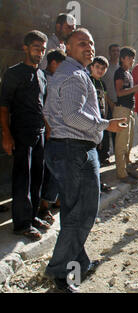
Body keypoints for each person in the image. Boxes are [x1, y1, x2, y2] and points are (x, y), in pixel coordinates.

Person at [43, 28, 126, 293]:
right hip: (74, 150)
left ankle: (79, 260)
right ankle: (59, 272)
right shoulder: (74, 75)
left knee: (72, 209)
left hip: (69, 148)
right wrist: (106, 125)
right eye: (81, 43)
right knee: (83, 212)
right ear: (66, 46)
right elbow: (72, 116)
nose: (89, 47)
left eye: (91, 42)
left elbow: (51, 112)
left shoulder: (73, 73)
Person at [0, 30, 50, 241]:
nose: (40, 53)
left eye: (43, 49)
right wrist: (6, 136)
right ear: (26, 48)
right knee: (23, 178)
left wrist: (47, 128)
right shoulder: (13, 73)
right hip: (20, 133)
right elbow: (3, 107)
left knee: (37, 176)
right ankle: (21, 224)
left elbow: (43, 105)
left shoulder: (41, 74)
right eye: (36, 48)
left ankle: (32, 216)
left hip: (39, 133)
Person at [114, 47, 138, 184]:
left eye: (133, 58)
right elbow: (119, 93)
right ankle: (121, 174)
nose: (132, 61)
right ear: (122, 58)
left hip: (128, 110)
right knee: (121, 143)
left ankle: (126, 169)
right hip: (122, 110)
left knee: (128, 143)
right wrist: (137, 88)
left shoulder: (128, 73)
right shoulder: (120, 73)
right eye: (129, 58)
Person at [39, 49, 66, 223]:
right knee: (50, 169)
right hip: (48, 130)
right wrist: (49, 128)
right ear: (54, 63)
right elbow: (42, 107)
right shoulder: (43, 77)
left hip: (58, 129)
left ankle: (56, 200)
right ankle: (44, 207)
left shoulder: (56, 78)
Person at [89, 57, 114, 193]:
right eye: (97, 67)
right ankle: (92, 185)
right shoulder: (88, 80)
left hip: (101, 122)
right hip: (91, 123)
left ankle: (97, 182)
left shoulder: (102, 83)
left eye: (103, 68)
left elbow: (103, 100)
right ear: (91, 66)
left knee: (99, 153)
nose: (100, 70)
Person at [103, 44, 121, 153]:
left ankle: (116, 152)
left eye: (117, 51)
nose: (115, 53)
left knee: (117, 129)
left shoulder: (121, 68)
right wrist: (109, 102)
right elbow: (103, 87)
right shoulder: (106, 67)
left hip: (118, 103)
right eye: (113, 51)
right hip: (106, 102)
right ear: (109, 53)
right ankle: (105, 153)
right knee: (106, 127)